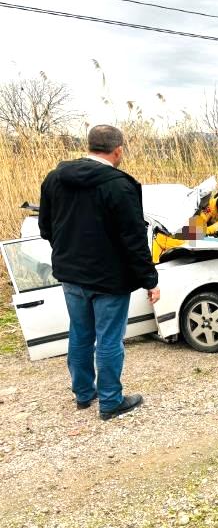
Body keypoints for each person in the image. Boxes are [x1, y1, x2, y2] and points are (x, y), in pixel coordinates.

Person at [38, 125, 160, 421]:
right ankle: (110, 401)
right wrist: (150, 280)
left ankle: (83, 394)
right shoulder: (120, 185)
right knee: (109, 339)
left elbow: (45, 228)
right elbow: (134, 239)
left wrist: (68, 251)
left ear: (89, 146)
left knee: (80, 333)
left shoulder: (55, 179)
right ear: (118, 150)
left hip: (71, 275)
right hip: (109, 279)